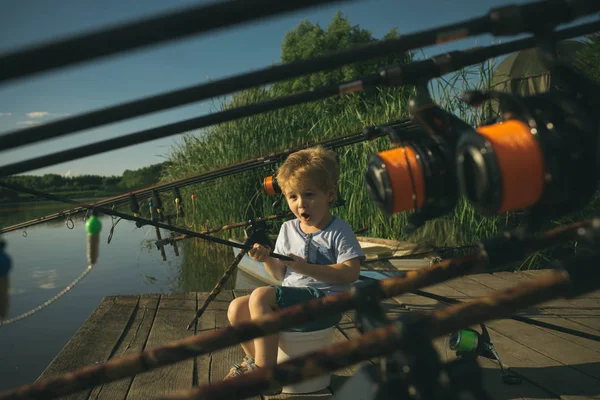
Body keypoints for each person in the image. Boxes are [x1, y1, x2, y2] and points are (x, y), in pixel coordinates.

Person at [224, 145, 365, 392]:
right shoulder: (288, 229)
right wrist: (266, 258)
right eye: (293, 197)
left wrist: (306, 268)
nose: (302, 205)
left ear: (330, 194)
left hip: (325, 303)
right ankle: (256, 362)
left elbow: (351, 273)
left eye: (309, 194)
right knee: (237, 307)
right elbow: (280, 275)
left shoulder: (339, 230)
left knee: (260, 295)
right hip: (294, 300)